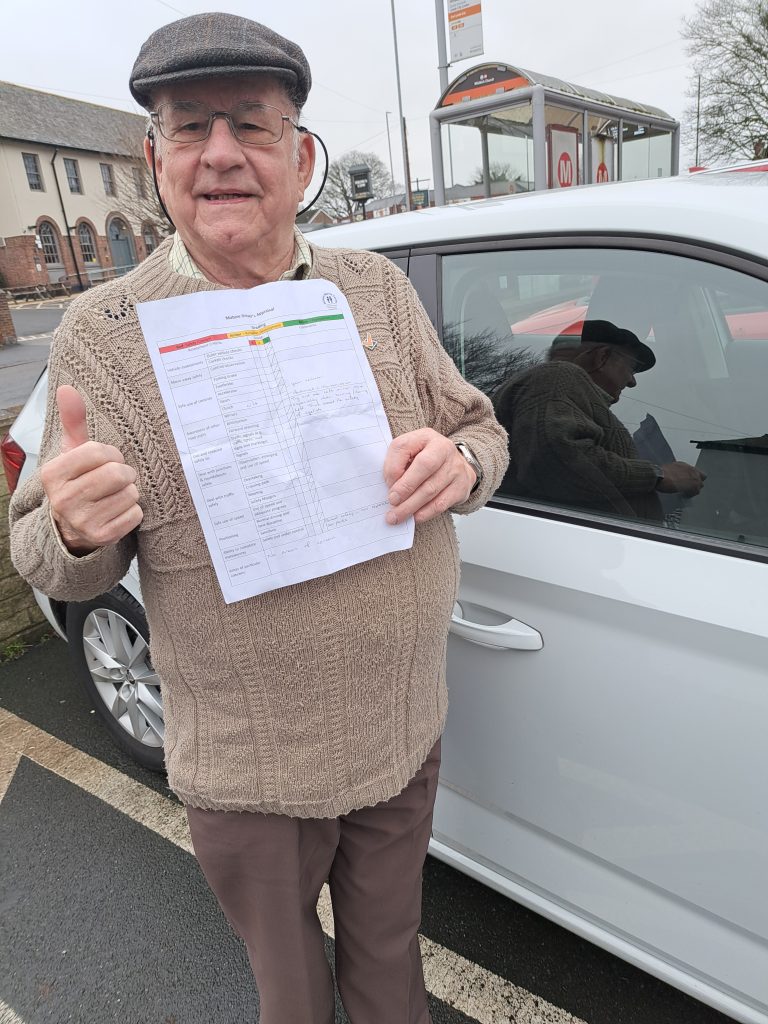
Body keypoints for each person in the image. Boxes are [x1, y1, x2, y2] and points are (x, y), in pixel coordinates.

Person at [8, 13, 508, 1024]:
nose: (223, 152)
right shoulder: (102, 333)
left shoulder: (375, 291)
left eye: (252, 124)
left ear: (299, 153)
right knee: (294, 1000)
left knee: (389, 970)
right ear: (156, 161)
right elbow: (44, 556)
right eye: (191, 128)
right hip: (252, 775)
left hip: (401, 732)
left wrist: (458, 463)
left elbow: (483, 428)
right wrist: (71, 529)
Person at [493, 319, 705, 520]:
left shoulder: (562, 391)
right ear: (602, 357)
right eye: (630, 368)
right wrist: (659, 476)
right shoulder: (558, 377)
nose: (632, 382)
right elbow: (557, 462)